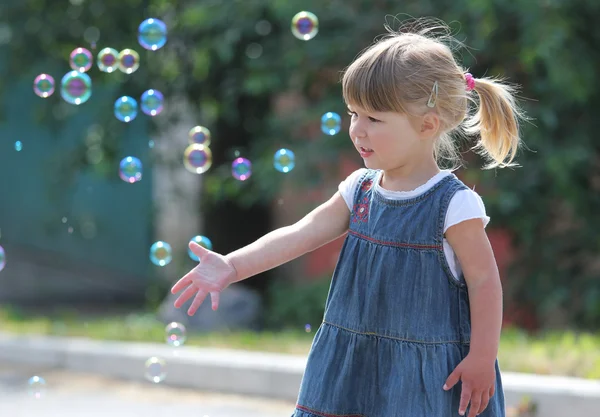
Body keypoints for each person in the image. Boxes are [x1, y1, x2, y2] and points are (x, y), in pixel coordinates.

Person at [171, 17, 527, 417]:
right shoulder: (359, 190)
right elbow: (300, 233)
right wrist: (232, 265)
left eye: (374, 119)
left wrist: (482, 358)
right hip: (352, 368)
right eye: (353, 113)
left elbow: (484, 283)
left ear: (427, 125)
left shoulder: (453, 205)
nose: (358, 129)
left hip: (424, 380)